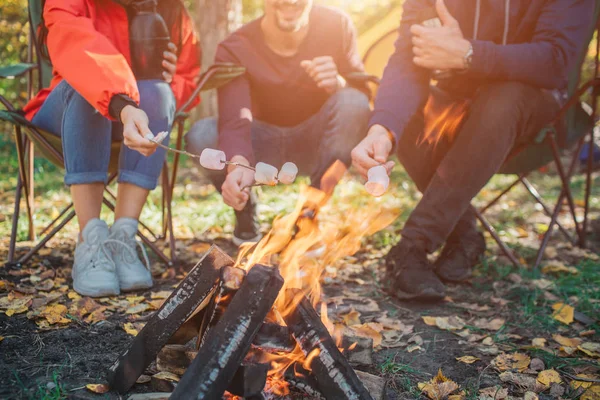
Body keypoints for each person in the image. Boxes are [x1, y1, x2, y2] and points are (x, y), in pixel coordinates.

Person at [352, 0, 594, 300]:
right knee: (406, 111)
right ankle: (464, 235)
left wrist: (469, 54)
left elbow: (556, 60)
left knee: (503, 99)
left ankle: (413, 245)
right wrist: (382, 130)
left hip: (536, 116)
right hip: (457, 108)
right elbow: (408, 60)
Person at [23, 0, 201, 297]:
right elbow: (78, 46)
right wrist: (122, 103)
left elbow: (187, 77)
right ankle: (90, 239)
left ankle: (122, 239)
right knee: (86, 91)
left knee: (157, 92)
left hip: (133, 122)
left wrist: (168, 79)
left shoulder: (172, 11)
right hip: (65, 111)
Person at [185, 0, 371, 246]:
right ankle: (245, 206)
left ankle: (309, 214)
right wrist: (237, 165)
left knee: (353, 101)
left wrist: (339, 83)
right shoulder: (235, 46)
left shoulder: (337, 26)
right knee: (201, 136)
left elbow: (363, 95)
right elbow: (234, 117)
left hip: (315, 144)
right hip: (261, 146)